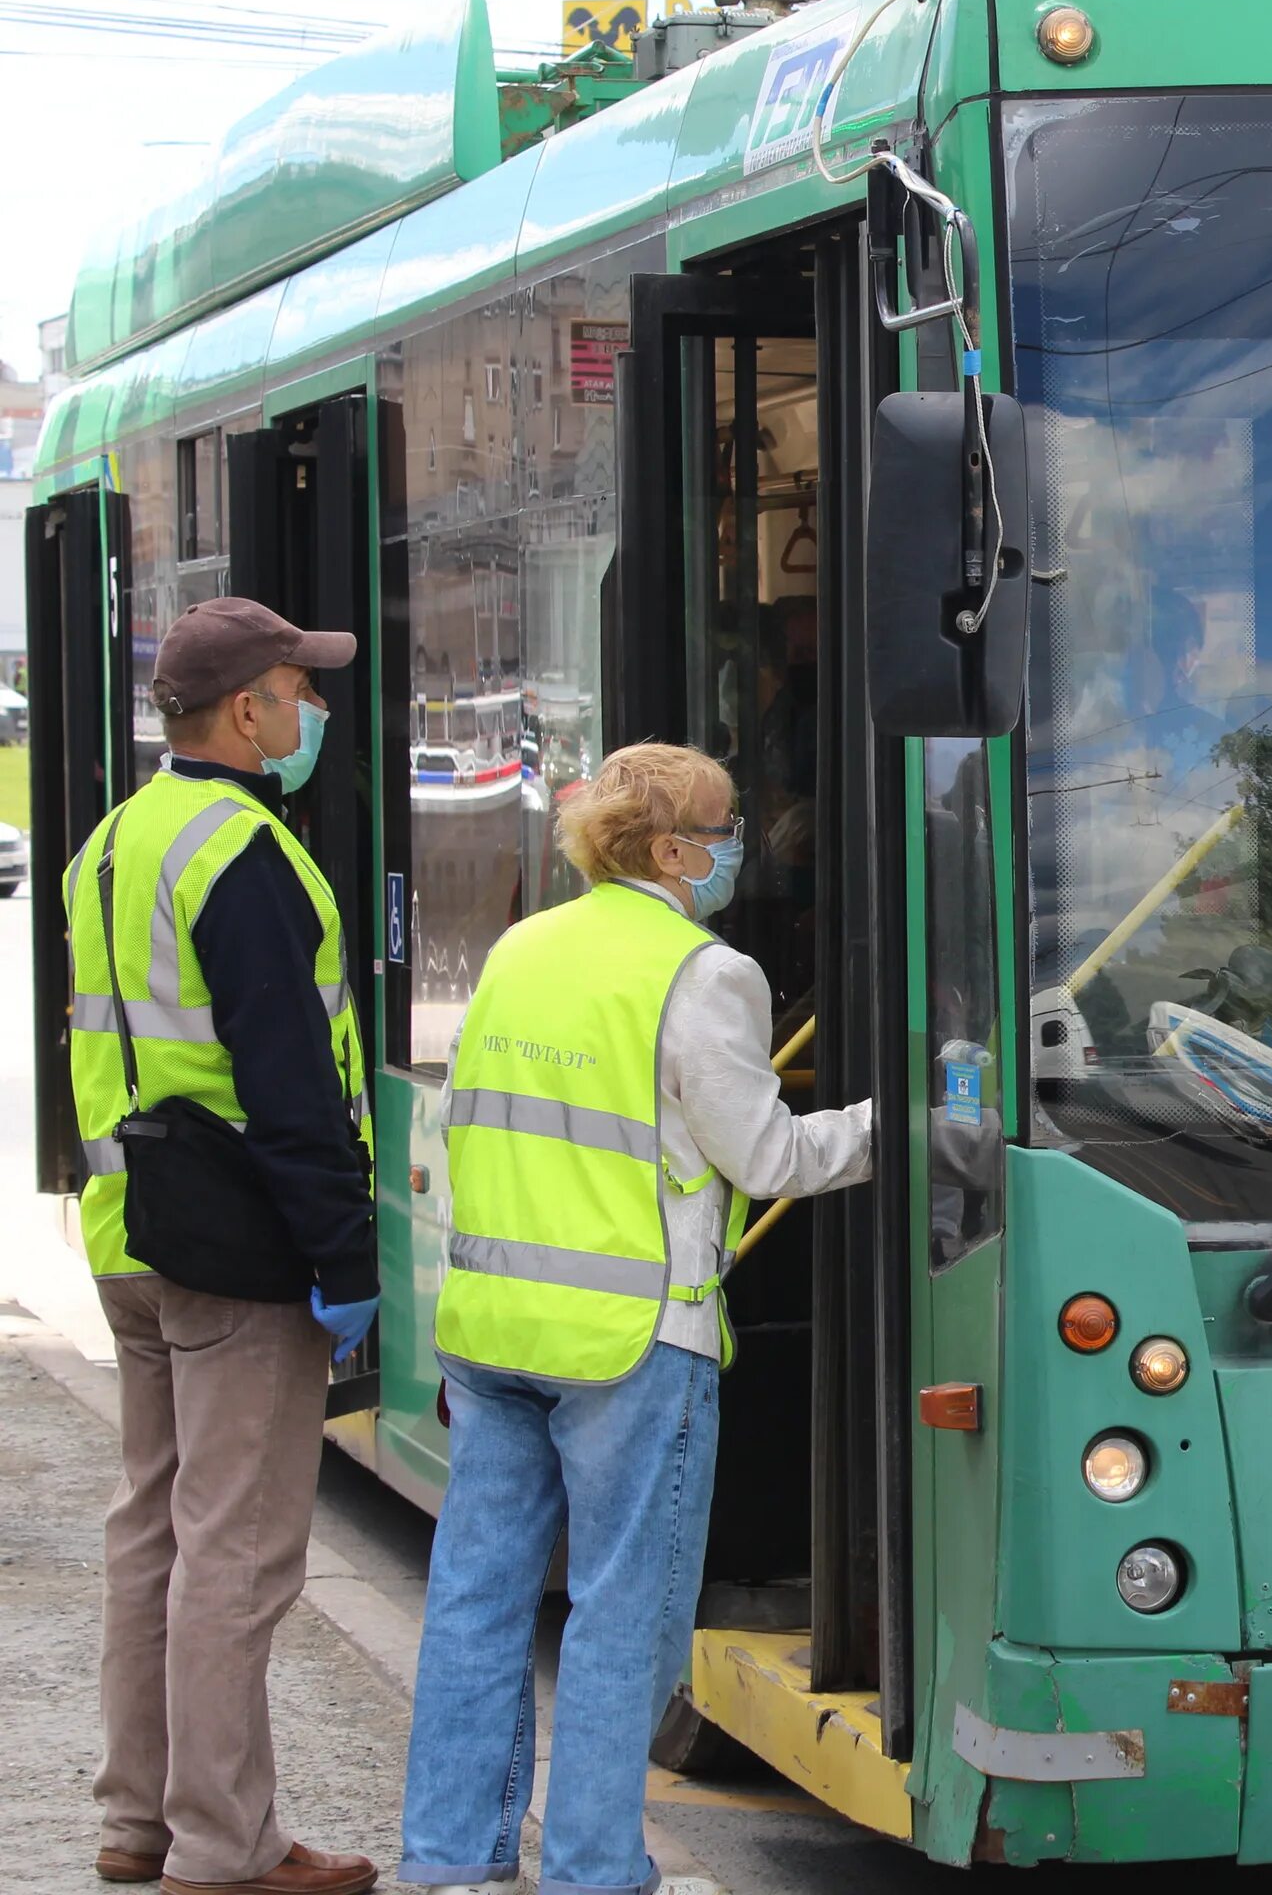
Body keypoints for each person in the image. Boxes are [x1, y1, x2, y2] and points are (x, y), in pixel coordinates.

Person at [397, 742, 875, 1895]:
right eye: (723, 822)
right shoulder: (705, 972)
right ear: (669, 849)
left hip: (494, 1324)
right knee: (625, 1617)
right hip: (630, 1346)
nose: (740, 837)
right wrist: (895, 1122)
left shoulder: (523, 947)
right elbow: (765, 1154)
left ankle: (453, 1856)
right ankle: (596, 1869)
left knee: (478, 1598)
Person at [64, 597, 381, 1895]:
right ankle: (223, 1847)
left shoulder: (116, 840)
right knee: (237, 1561)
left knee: (154, 1535)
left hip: (129, 1228)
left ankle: (137, 1821)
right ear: (244, 711)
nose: (312, 713)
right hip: (239, 1249)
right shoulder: (243, 854)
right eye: (298, 692)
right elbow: (289, 1083)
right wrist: (347, 1258)